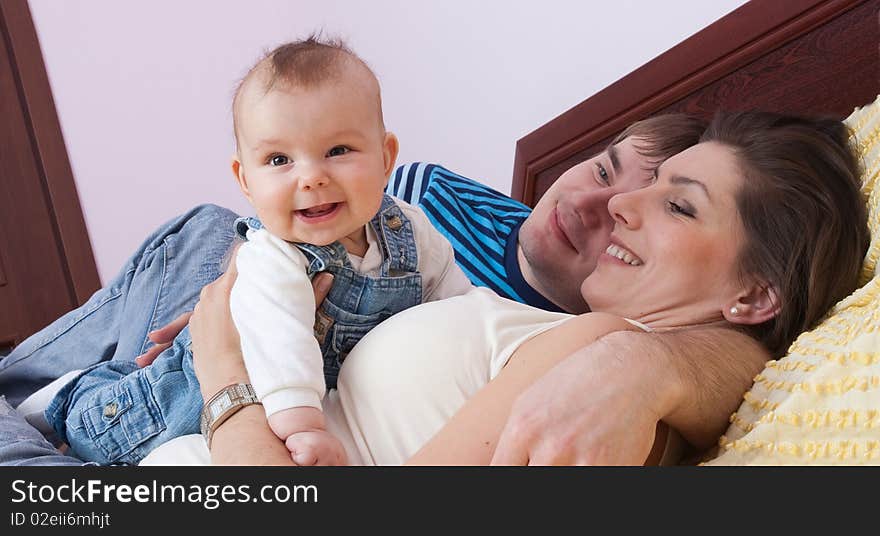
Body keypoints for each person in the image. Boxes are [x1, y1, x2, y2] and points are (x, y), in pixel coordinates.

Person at [0, 105, 767, 466]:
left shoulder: (571, 345)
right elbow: (303, 228)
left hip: (241, 407)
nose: (595, 206)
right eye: (602, 169)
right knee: (211, 231)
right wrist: (243, 282)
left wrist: (225, 368)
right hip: (233, 315)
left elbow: (719, 349)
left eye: (662, 202)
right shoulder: (438, 196)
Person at [155, 110, 867, 465]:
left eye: (678, 204)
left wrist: (229, 382)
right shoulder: (593, 353)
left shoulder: (607, 360)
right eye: (617, 176)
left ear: (753, 297)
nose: (620, 205)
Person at [36, 38, 474, 466]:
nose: (310, 178)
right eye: (280, 160)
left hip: (286, 399)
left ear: (386, 157)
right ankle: (67, 397)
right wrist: (304, 427)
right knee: (104, 440)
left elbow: (457, 303)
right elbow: (281, 343)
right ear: (245, 180)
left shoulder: (407, 229)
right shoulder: (274, 254)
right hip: (184, 398)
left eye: (337, 151)